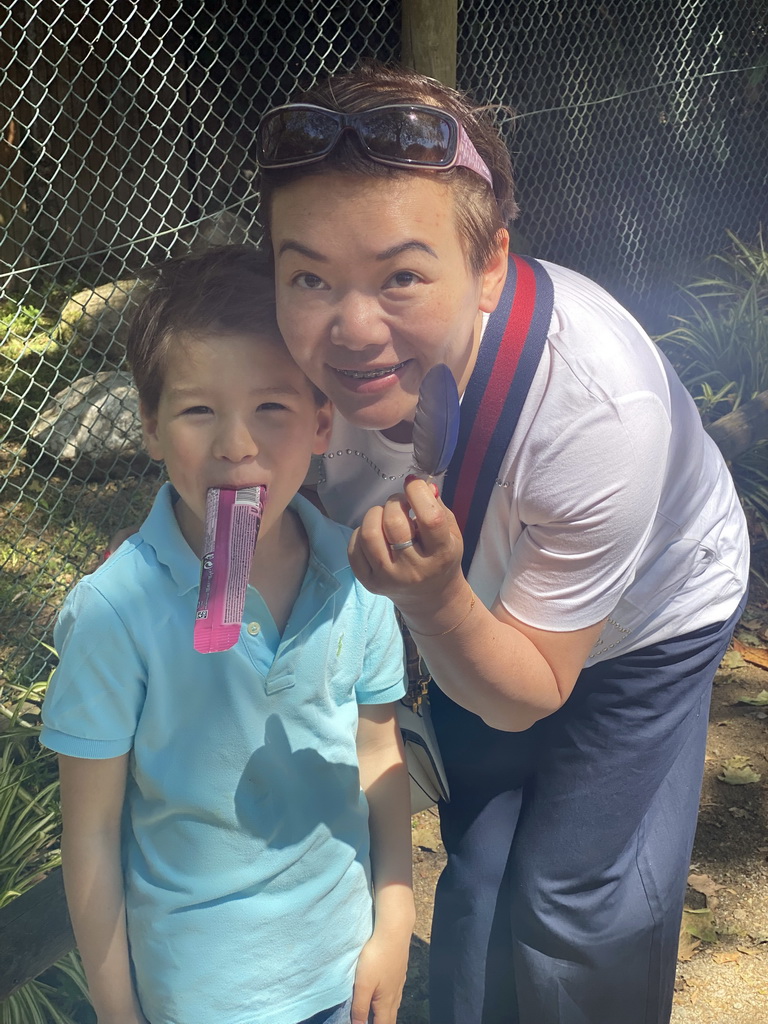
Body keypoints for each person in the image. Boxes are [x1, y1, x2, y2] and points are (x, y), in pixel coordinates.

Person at [254, 61, 751, 1024]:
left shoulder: (598, 413)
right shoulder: (290, 347)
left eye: (401, 275)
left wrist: (434, 602)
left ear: (489, 266)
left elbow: (529, 691)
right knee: (480, 869)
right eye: (309, 273)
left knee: (576, 897)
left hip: (645, 622)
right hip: (469, 602)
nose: (351, 332)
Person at [40, 247, 415, 1024]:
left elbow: (379, 757)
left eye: (272, 408)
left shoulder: (357, 579)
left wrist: (396, 924)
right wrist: (119, 1015)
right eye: (198, 410)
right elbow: (92, 838)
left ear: (321, 423)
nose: (237, 445)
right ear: (148, 427)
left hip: (343, 974)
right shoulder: (115, 615)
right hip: (200, 995)